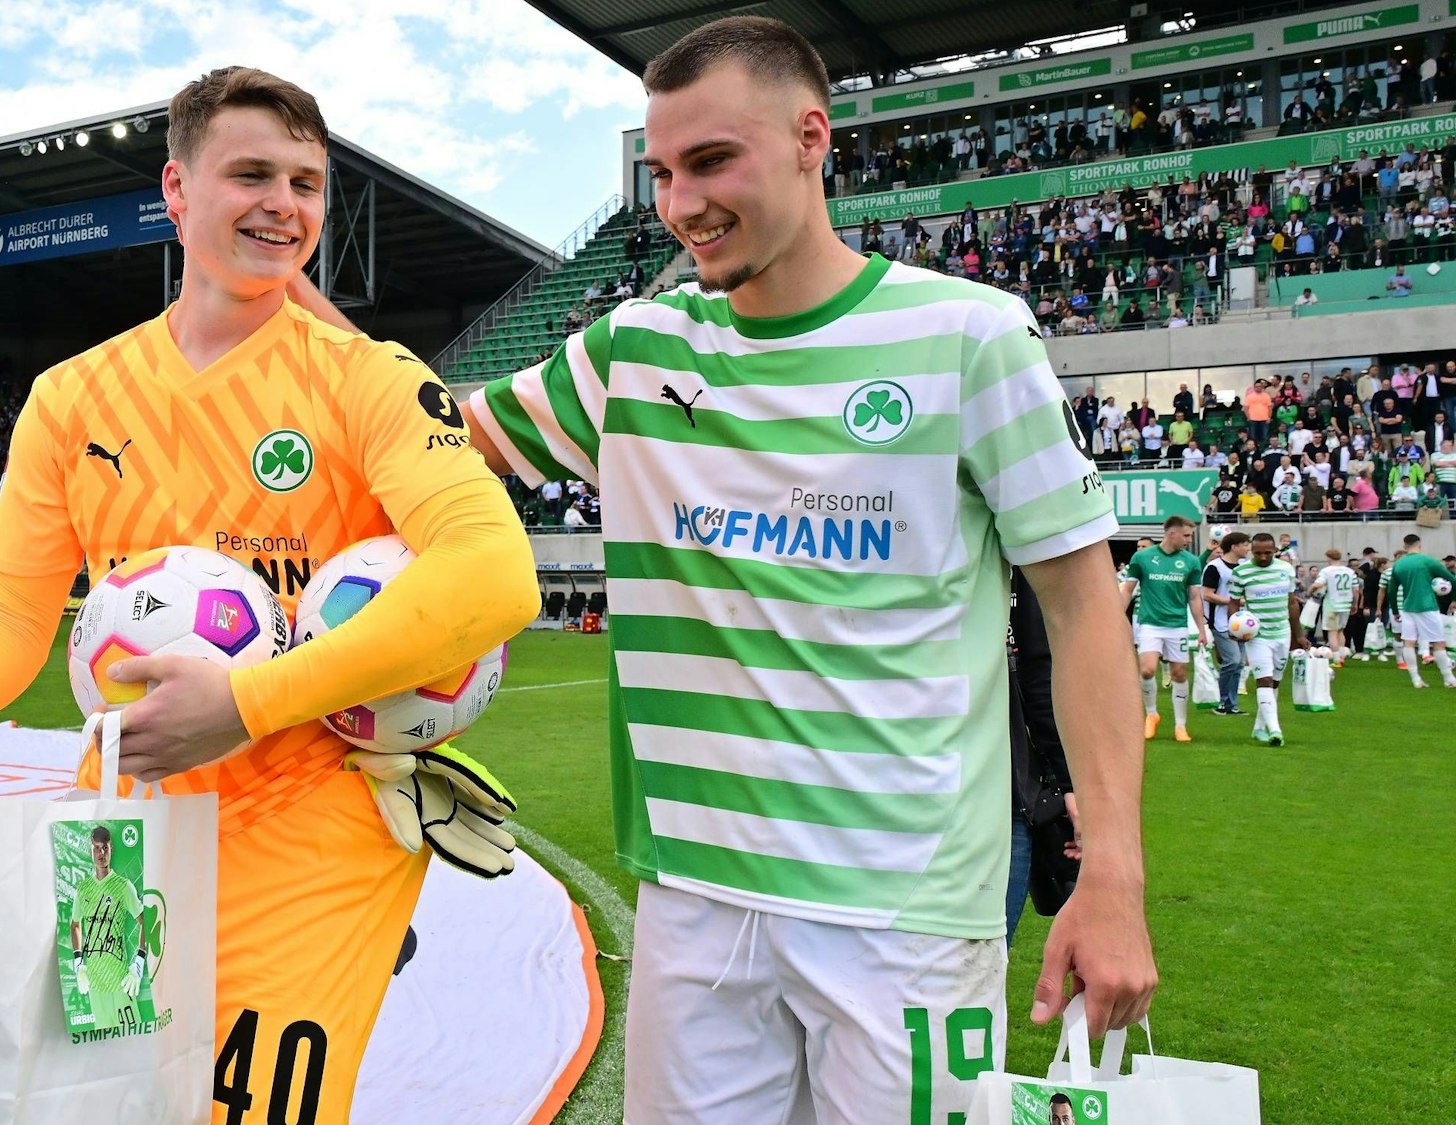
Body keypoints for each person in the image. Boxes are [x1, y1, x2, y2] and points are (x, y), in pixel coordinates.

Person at [0, 67, 539, 1124]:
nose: (283, 204)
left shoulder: (368, 379)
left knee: (243, 1113)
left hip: (314, 818)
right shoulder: (71, 397)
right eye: (252, 174)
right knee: (110, 1108)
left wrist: (247, 702)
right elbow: (15, 623)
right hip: (117, 828)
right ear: (175, 193)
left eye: (307, 183)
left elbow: (492, 574)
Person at [460, 18, 1155, 1121]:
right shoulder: (631, 350)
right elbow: (431, 441)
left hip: (904, 915)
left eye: (712, 161)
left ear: (808, 139)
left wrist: (1112, 874)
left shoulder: (968, 337)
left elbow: (1081, 612)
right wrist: (259, 274)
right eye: (661, 173)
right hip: (691, 893)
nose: (681, 203)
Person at [1008, 567, 1077, 945]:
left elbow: (1038, 676)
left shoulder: (1016, 572)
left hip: (1003, 797)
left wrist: (1069, 784)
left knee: (983, 957)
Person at [1120, 516, 1208, 743]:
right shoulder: (1142, 558)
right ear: (1172, 534)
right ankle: (1151, 715)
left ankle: (1180, 726)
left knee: (1179, 673)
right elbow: (1127, 589)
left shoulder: (1191, 561)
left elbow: (1195, 596)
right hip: (1149, 623)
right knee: (1147, 670)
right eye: (1187, 535)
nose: (1189, 540)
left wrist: (1201, 628)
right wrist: (1118, 616)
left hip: (1177, 624)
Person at [1229, 532, 1307, 746]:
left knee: (1274, 682)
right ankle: (1275, 730)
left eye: (1267, 553)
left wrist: (1299, 634)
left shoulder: (1285, 569)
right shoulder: (1241, 572)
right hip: (1257, 635)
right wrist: (1234, 626)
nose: (1263, 557)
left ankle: (1258, 728)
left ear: (1275, 551)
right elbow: (1234, 602)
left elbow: (1291, 602)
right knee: (1263, 679)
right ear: (1251, 551)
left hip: (1282, 632)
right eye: (1257, 553)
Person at [70, 824, 151, 1028]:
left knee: (133, 1041)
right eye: (96, 848)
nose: (101, 853)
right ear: (91, 850)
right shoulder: (83, 890)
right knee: (103, 1050)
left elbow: (145, 922)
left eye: (105, 847)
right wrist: (79, 964)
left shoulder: (123, 886)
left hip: (121, 982)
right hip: (95, 985)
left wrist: (138, 963)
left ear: (111, 849)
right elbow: (75, 924)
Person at [1380, 534, 1456, 688]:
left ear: (1405, 546)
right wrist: (1454, 599)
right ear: (1419, 545)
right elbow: (1452, 580)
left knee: (1408, 642)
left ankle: (1415, 679)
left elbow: (1391, 590)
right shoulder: (1427, 561)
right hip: (1427, 606)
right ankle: (1448, 679)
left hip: (1408, 607)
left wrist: (1395, 610)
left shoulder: (1399, 565)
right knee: (1438, 642)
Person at [1202, 532, 1250, 715]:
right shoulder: (1215, 567)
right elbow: (1207, 594)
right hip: (1221, 621)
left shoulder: (1245, 567)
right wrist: (1232, 601)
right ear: (1234, 546)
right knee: (1233, 660)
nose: (1248, 548)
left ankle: (1231, 704)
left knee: (1239, 664)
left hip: (1242, 622)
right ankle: (1222, 701)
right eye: (1245, 544)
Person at [1315, 547, 1362, 662]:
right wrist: (1355, 604)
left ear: (1328, 558)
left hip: (1332, 605)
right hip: (1345, 605)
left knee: (1332, 633)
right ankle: (1342, 655)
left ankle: (1337, 660)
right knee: (1341, 631)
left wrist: (1311, 591)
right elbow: (1356, 590)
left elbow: (1317, 585)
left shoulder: (1326, 571)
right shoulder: (1350, 572)